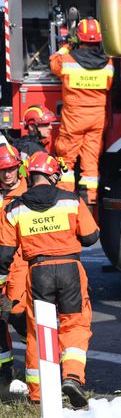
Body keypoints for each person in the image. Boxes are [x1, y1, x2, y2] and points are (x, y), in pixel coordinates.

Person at [0, 152, 98, 407]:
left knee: (37, 332)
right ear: (53, 175)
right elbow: (90, 237)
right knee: (74, 324)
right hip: (70, 270)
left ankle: (37, 396)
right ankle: (73, 377)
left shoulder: (15, 207)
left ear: (28, 176)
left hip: (38, 271)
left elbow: (4, 254)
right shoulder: (71, 200)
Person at [50, 18, 114, 203]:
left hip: (74, 119)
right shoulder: (108, 63)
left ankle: (64, 197)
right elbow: (109, 85)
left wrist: (67, 46)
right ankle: (89, 199)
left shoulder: (68, 59)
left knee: (67, 161)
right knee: (91, 161)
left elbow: (53, 62)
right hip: (97, 120)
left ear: (79, 38)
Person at [0, 145, 25, 388]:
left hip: (20, 263)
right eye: (3, 171)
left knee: (19, 315)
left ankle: (38, 362)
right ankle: (5, 374)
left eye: (11, 169)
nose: (7, 175)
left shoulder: (29, 192)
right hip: (2, 262)